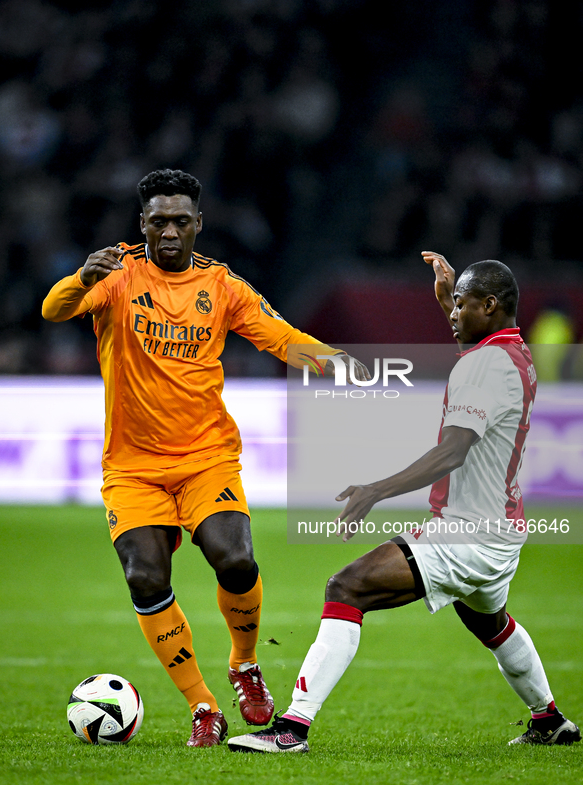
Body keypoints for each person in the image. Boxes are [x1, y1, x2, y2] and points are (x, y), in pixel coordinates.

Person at [42, 168, 368, 748]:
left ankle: (244, 664)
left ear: (199, 224)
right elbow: (53, 310)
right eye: (157, 221)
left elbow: (277, 334)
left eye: (180, 221)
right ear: (142, 224)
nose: (169, 231)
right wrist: (78, 278)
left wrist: (332, 359)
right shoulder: (113, 276)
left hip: (206, 457)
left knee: (235, 559)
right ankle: (202, 706)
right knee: (145, 575)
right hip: (133, 466)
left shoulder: (220, 286)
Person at [228, 250, 582, 753]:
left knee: (346, 587)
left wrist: (376, 490)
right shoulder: (517, 353)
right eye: (452, 305)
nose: (453, 314)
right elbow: (480, 359)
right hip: (502, 533)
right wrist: (450, 307)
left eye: (461, 305)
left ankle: (292, 729)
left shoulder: (484, 365)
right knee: (491, 621)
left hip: (466, 535)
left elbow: (454, 450)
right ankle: (549, 720)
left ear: (490, 304)